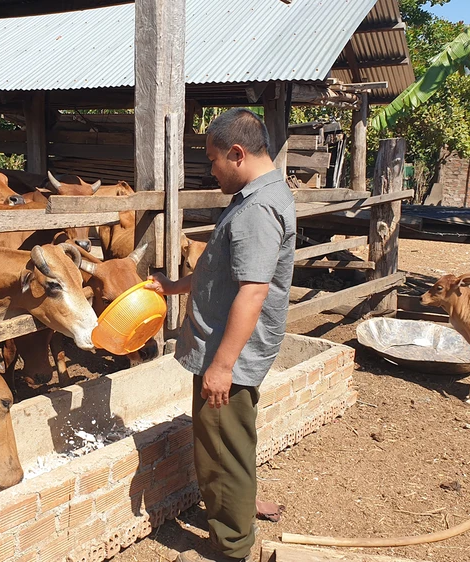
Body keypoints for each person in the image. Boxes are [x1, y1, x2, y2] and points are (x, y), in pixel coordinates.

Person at [147, 108, 296, 562]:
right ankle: (241, 511)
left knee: (220, 451)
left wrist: (222, 366)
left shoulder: (257, 210)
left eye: (213, 161)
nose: (211, 171)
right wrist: (174, 287)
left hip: (227, 354)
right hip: (226, 350)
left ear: (237, 153)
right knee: (232, 442)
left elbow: (251, 292)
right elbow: (225, 273)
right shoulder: (261, 195)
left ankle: (232, 546)